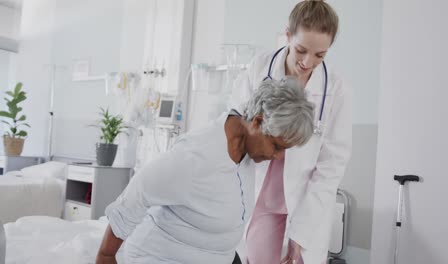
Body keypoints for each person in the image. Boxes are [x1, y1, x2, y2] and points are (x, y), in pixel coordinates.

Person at [95, 78, 316, 264]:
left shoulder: (244, 150)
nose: (277, 157)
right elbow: (138, 192)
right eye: (276, 147)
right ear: (257, 122)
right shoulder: (197, 156)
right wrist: (106, 255)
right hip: (163, 256)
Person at [229, 1, 352, 263]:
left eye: (320, 55)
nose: (308, 62)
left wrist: (303, 233)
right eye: (301, 50)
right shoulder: (259, 69)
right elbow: (236, 126)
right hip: (259, 194)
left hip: (304, 201)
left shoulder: (336, 89)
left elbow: (331, 166)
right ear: (287, 36)